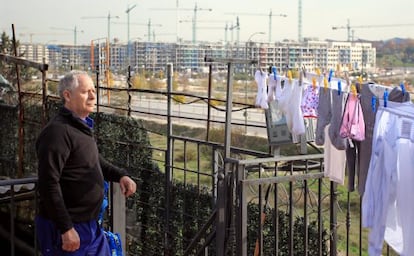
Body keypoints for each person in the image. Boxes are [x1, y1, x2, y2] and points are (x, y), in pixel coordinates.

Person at [35, 70, 137, 255]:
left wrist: (121, 175)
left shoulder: (80, 127)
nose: (92, 96)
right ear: (67, 95)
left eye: (93, 91)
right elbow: (48, 183)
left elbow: (94, 160)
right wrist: (66, 228)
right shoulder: (58, 132)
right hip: (68, 229)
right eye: (85, 92)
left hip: (90, 227)